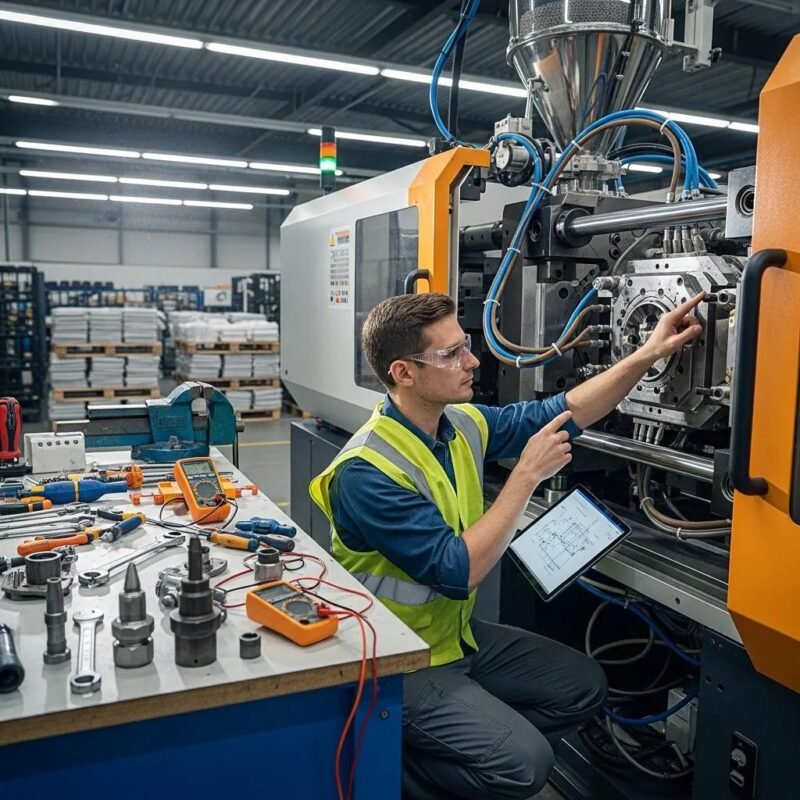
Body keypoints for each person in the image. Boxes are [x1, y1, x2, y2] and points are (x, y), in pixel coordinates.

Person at [310, 290, 704, 800]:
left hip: (455, 640)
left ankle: (462, 738)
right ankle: (398, 768)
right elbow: (458, 570)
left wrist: (647, 354)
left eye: (466, 345)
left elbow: (562, 411)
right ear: (403, 373)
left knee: (583, 685)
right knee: (526, 764)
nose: (472, 360)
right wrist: (526, 475)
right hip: (397, 660)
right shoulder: (367, 472)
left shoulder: (460, 425)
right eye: (451, 354)